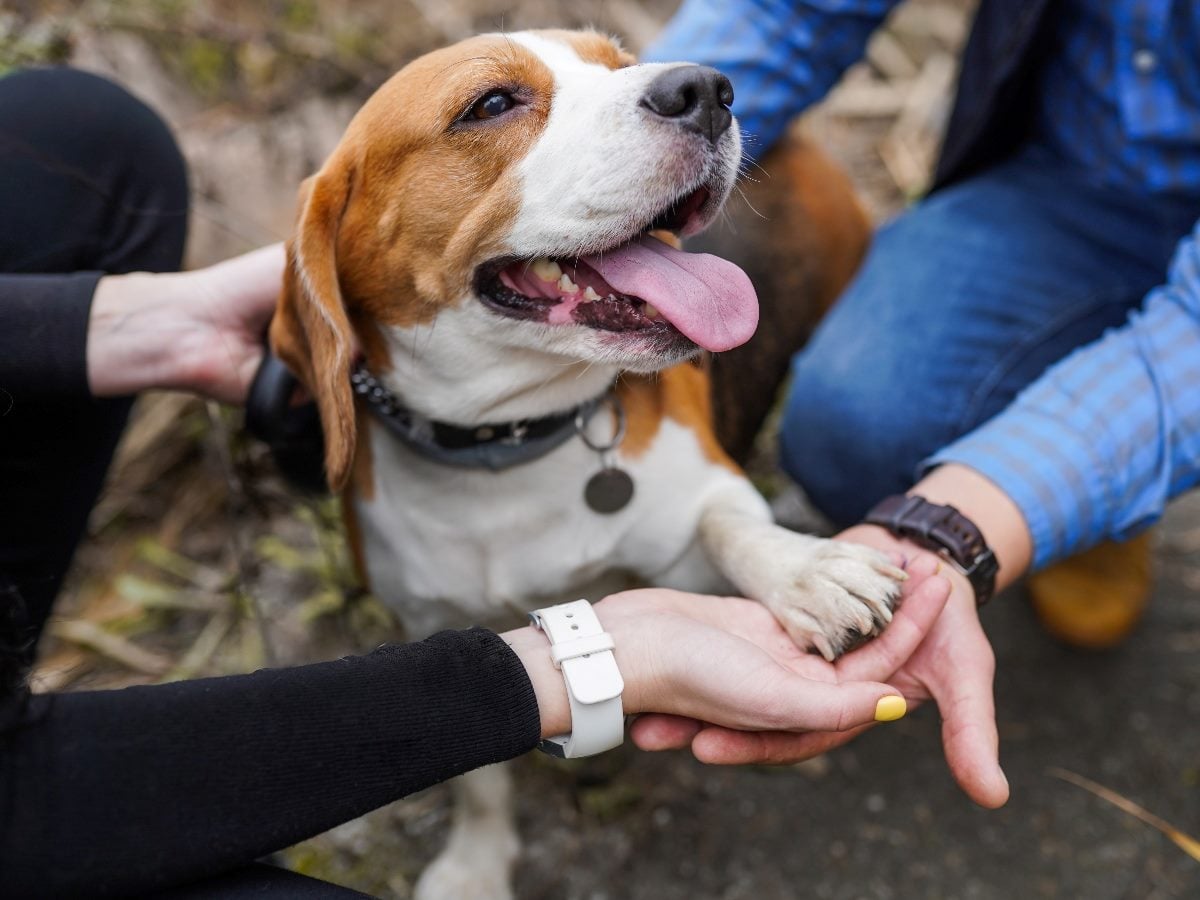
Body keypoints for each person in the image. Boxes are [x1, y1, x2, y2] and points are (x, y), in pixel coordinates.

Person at [0, 67, 952, 897]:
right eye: (496, 105)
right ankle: (484, 827)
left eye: (606, 74)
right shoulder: (357, 402)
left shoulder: (707, 293)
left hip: (801, 257)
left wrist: (762, 551)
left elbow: (710, 504)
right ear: (346, 248)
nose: (686, 87)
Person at [642, 0, 1200, 808]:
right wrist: (629, 147)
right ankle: (1084, 486)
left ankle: (1096, 499)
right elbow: (788, 12)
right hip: (1065, 187)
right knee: (855, 425)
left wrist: (953, 528)